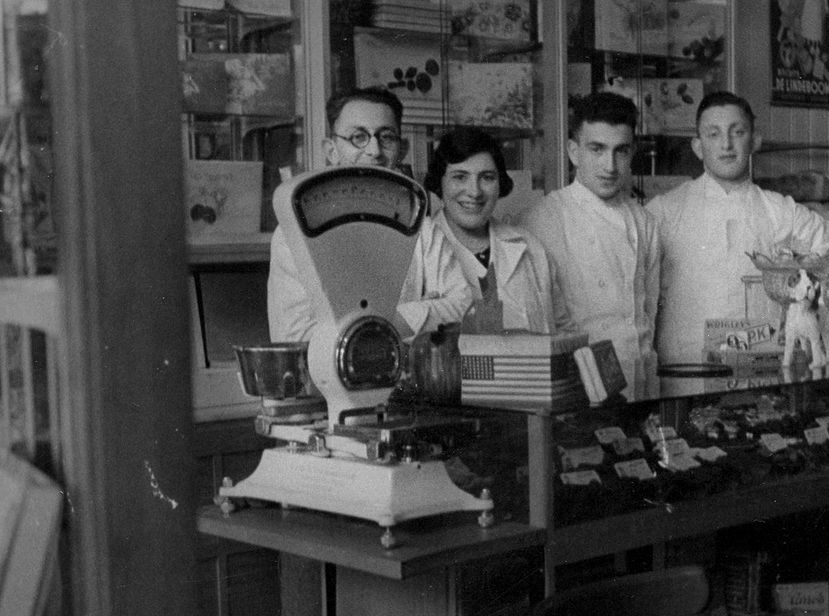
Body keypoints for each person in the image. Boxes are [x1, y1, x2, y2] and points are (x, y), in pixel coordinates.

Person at [646, 91, 829, 365]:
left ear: (755, 141)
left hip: (764, 373)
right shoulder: (664, 211)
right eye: (713, 134)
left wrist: (810, 269)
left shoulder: (780, 210)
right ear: (698, 147)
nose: (726, 145)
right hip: (685, 373)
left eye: (737, 132)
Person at [267, 87, 470, 342]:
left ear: (402, 148)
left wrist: (381, 322)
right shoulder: (294, 231)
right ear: (331, 150)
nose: (374, 150)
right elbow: (294, 336)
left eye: (386, 137)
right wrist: (414, 316)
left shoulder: (423, 229)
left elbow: (463, 305)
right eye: (358, 137)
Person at [519, 92, 659, 400]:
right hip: (580, 388)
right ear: (573, 151)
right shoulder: (544, 219)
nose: (609, 166)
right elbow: (545, 324)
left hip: (643, 382)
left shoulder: (644, 221)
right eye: (596, 149)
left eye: (620, 151)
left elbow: (649, 313)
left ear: (632, 152)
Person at [423, 127, 574, 333]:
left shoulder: (530, 248)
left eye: (487, 177)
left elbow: (565, 333)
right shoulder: (420, 252)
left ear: (500, 183)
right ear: (439, 182)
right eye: (460, 177)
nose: (474, 192)